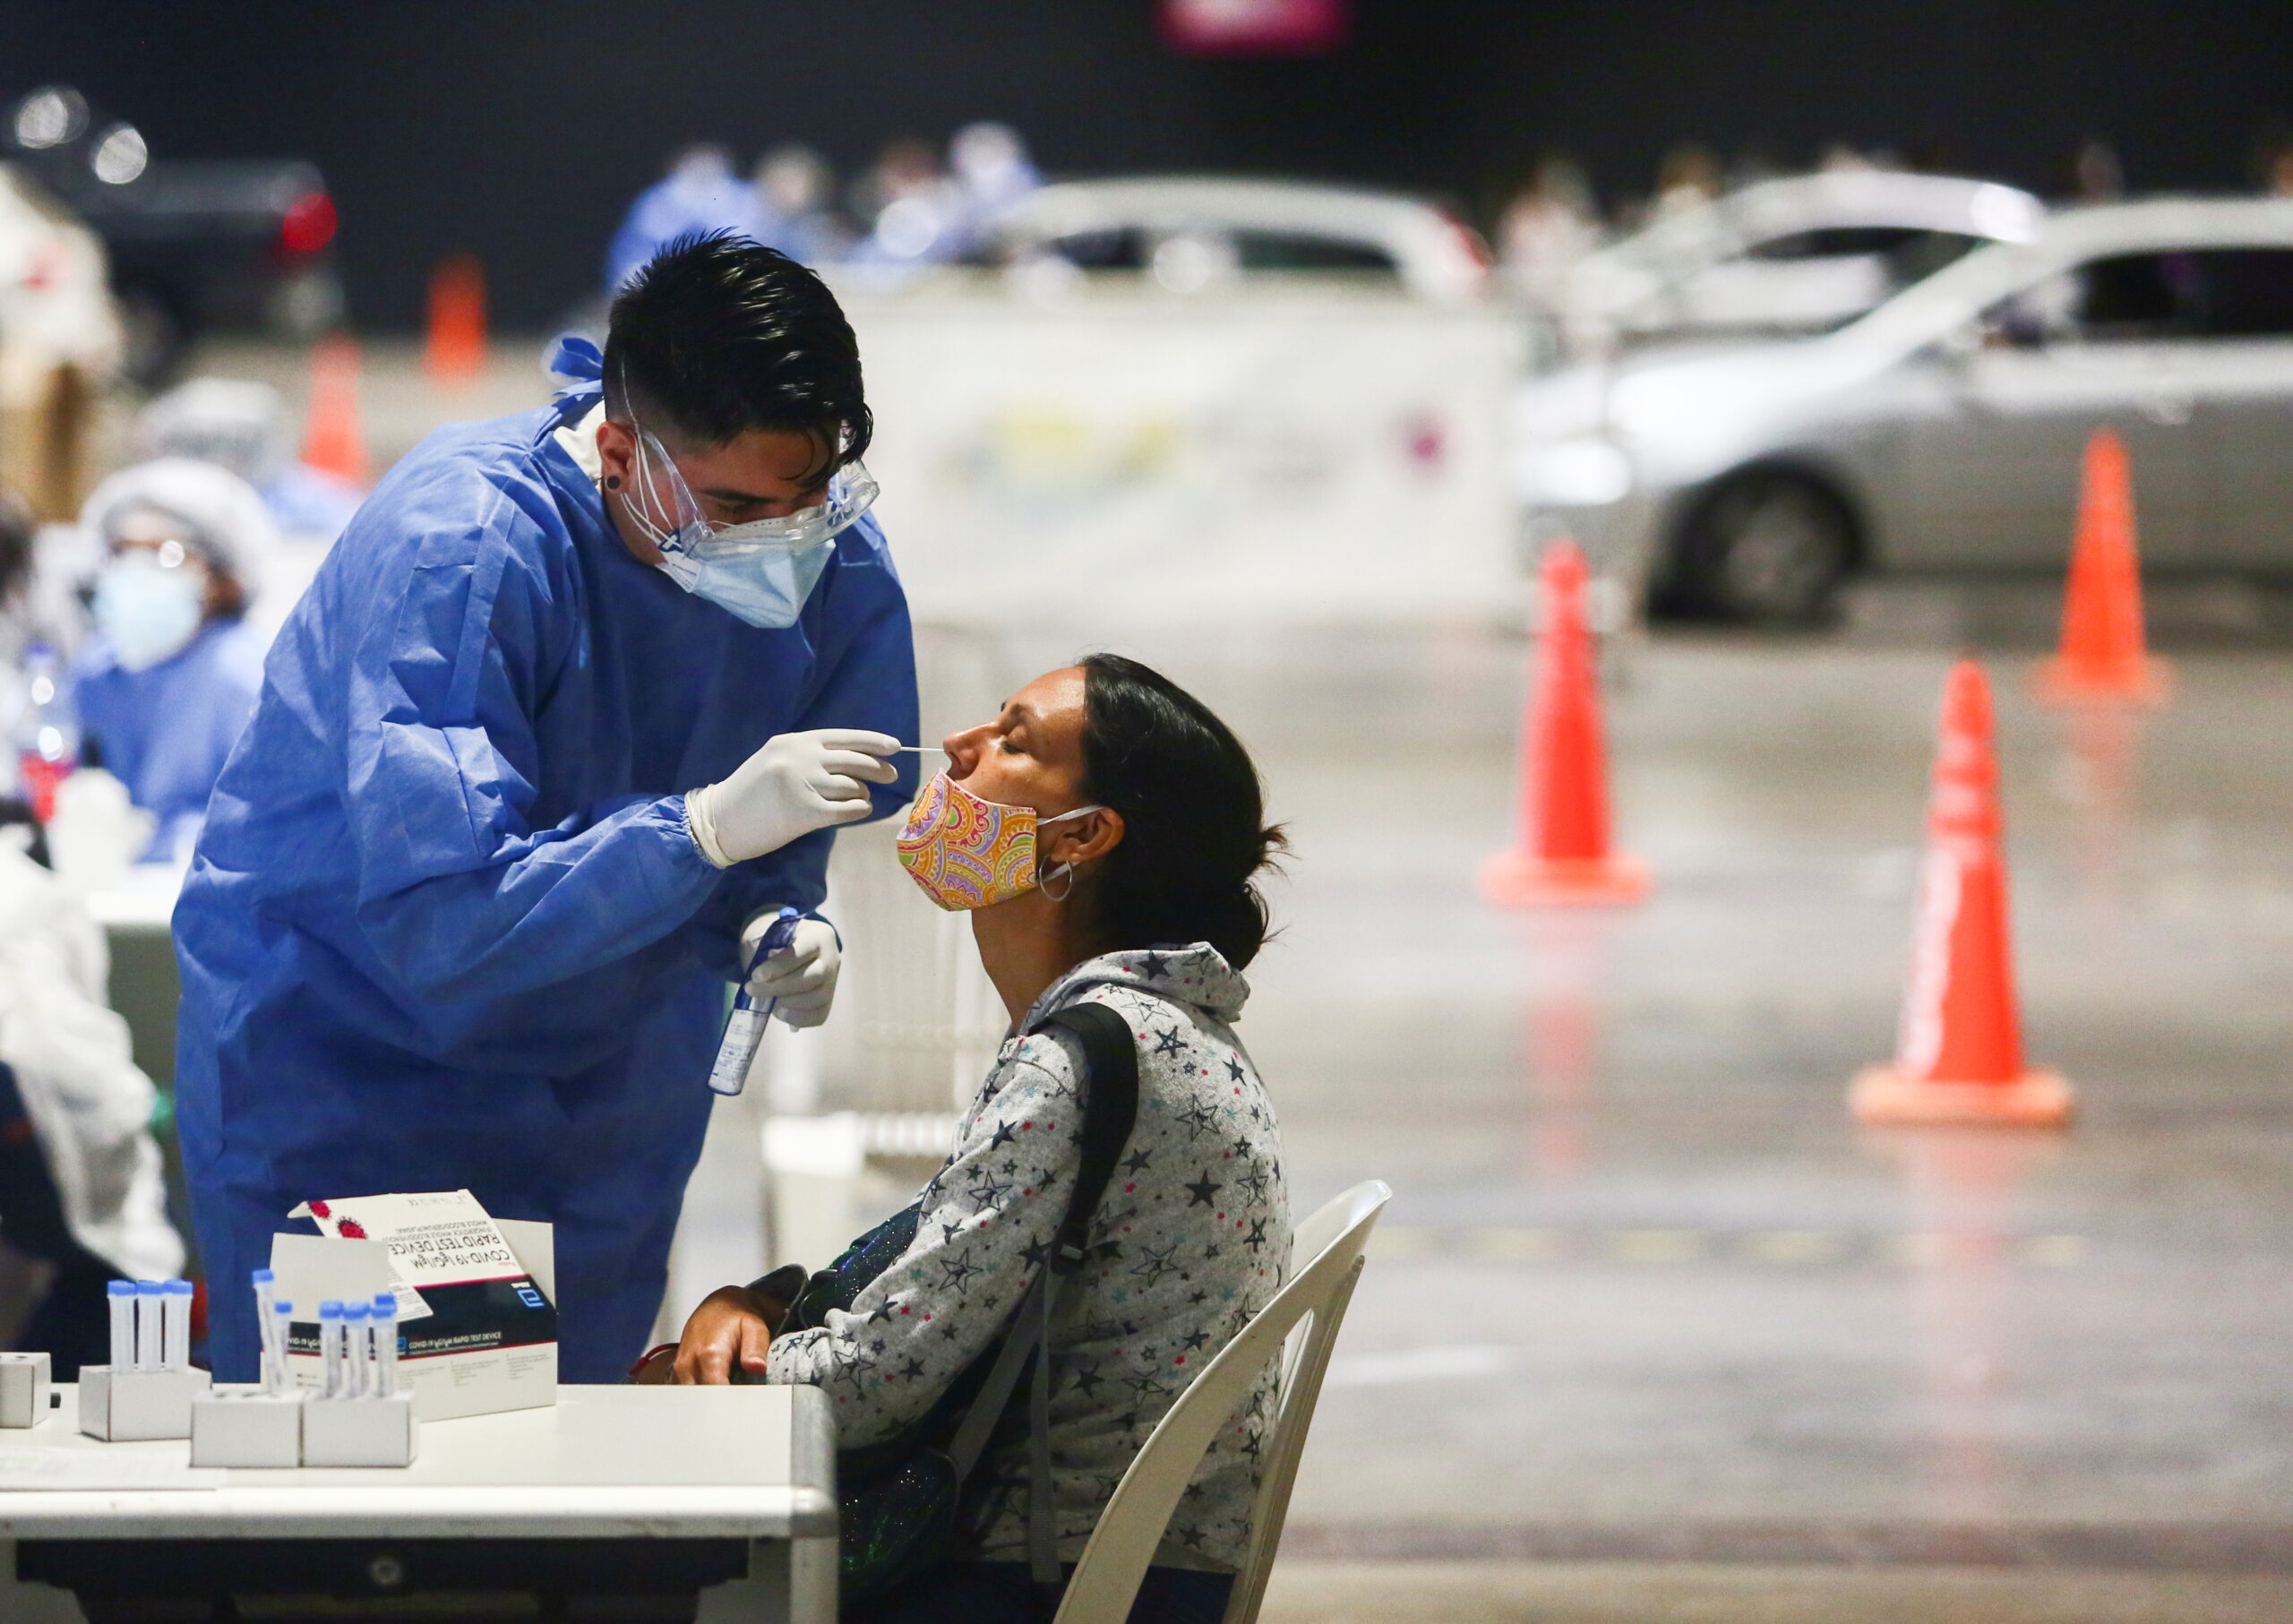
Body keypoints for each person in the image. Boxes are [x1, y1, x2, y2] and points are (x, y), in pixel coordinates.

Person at [173, 234, 920, 1384]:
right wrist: (704, 832)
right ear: (620, 446)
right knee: (352, 1483)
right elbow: (446, 918)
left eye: (808, 497)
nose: (780, 541)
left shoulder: (817, 541)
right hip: (356, 1062)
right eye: (732, 504)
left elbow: (820, 780)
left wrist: (771, 914)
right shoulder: (463, 548)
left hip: (613, 1089)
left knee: (569, 1496)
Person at [659, 655, 1289, 1624]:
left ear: (1079, 837)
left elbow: (871, 1387)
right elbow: (931, 1269)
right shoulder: (1160, 1024)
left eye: (1012, 739)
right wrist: (752, 1302)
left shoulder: (1077, 1059)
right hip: (1137, 1570)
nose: (958, 747)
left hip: (1032, 1578)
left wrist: (698, 1374)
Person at [0, 831, 184, 1378]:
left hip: (33, 1105)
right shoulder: (38, 899)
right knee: (115, 1276)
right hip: (33, 1102)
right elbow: (66, 1043)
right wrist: (127, 1105)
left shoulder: (31, 897)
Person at [69, 459, 275, 863]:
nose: (136, 572)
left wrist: (167, 844)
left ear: (223, 580)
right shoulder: (96, 672)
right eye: (121, 553)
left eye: (166, 554)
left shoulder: (247, 676)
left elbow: (266, 823)